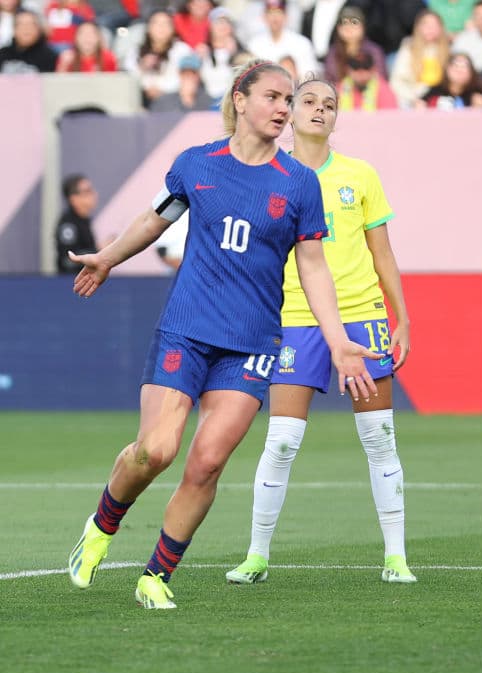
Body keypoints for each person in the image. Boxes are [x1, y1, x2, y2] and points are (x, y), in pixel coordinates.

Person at [65, 58, 381, 610]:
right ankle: (101, 525)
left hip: (253, 345)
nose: (284, 109)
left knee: (207, 461)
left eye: (290, 100)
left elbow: (312, 267)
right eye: (275, 98)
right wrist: (109, 257)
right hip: (185, 332)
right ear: (240, 99)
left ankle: (156, 576)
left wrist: (337, 341)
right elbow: (154, 219)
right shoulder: (195, 164)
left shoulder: (300, 183)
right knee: (155, 452)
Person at [226, 76, 416, 586]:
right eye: (307, 101)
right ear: (290, 111)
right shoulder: (267, 173)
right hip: (294, 319)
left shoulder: (361, 175)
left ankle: (396, 558)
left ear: (336, 117)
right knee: (283, 440)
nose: (318, 110)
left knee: (379, 438)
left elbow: (383, 253)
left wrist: (402, 319)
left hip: (364, 317)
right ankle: (257, 555)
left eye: (328, 105)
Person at [55, 173, 99, 274]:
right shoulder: (68, 224)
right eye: (87, 191)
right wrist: (98, 250)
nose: (94, 194)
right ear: (73, 199)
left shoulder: (84, 221)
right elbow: (68, 260)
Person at [415, 51, 482, 109]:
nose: (459, 70)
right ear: (447, 69)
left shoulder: (476, 96)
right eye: (456, 65)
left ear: (471, 73)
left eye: (465, 66)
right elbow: (420, 104)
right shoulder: (435, 90)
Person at [149, 53, 217, 112]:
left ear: (198, 75)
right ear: (179, 74)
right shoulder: (164, 101)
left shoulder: (209, 101)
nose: (188, 77)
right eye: (184, 73)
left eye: (193, 73)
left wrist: (189, 98)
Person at [0, 9, 58, 73]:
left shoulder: (49, 56)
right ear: (14, 29)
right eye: (21, 24)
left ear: (39, 29)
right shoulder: (3, 54)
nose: (26, 29)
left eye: (31, 24)